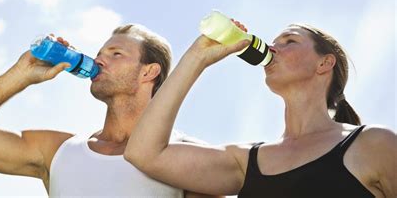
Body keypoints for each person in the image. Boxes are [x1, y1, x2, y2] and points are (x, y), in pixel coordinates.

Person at [0, 24, 218, 197]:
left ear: (149, 72)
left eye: (116, 54)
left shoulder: (186, 157)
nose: (99, 60)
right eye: (100, 54)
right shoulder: (59, 151)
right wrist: (19, 75)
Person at [124, 22, 397, 197]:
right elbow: (144, 153)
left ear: (324, 63)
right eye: (273, 42)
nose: (271, 48)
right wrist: (197, 58)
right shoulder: (246, 161)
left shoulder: (374, 144)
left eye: (288, 41)